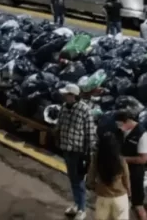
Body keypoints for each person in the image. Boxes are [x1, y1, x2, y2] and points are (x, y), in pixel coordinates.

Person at [56, 83, 96, 220]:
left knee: (79, 181)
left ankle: (82, 209)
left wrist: (89, 154)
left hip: (78, 152)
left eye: (66, 94)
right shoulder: (63, 108)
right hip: (66, 149)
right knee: (72, 179)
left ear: (73, 96)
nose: (63, 96)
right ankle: (76, 203)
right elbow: (59, 125)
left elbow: (90, 133)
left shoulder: (84, 110)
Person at [87, 132, 131, 220]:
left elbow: (90, 177)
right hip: (120, 197)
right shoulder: (121, 160)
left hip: (103, 197)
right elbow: (126, 179)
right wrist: (129, 192)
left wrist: (94, 187)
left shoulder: (97, 158)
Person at [115, 110, 147, 220]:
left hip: (134, 174)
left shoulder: (142, 134)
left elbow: (143, 159)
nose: (119, 126)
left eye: (120, 124)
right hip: (120, 172)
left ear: (128, 121)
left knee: (138, 205)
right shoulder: (120, 131)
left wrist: (123, 159)